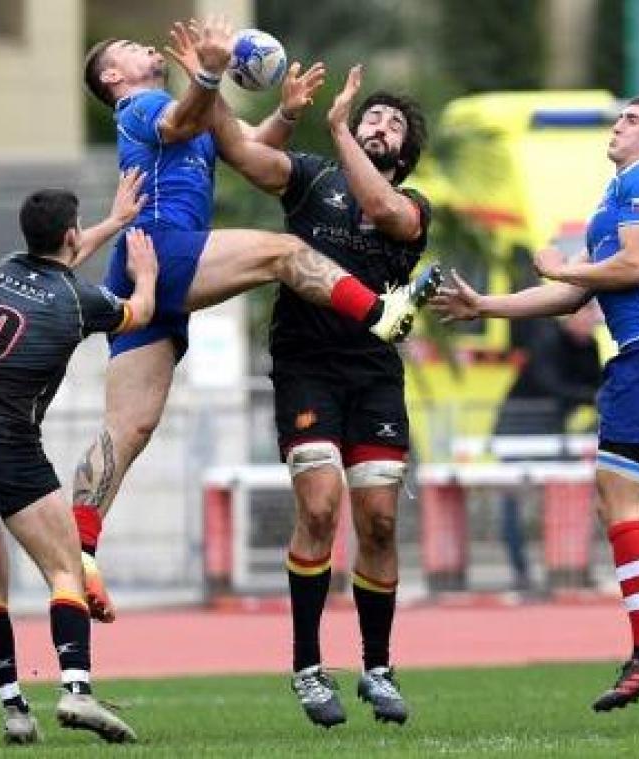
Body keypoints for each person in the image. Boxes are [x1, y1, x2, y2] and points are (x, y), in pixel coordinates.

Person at [71, 19, 440, 619]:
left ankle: (80, 548)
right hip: (164, 249)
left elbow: (245, 142)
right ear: (113, 76)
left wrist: (287, 113)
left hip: (141, 269)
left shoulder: (184, 104)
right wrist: (209, 76)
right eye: (130, 48)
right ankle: (381, 314)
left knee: (128, 428)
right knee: (285, 253)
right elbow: (181, 121)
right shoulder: (141, 105)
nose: (145, 47)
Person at [430, 96, 639, 712]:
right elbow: (563, 296)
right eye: (620, 116)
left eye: (633, 119)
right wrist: (484, 306)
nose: (619, 123)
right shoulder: (614, 198)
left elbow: (636, 266)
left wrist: (562, 268)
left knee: (615, 498)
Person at [210, 64, 434, 727]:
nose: (378, 124)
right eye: (372, 116)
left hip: (373, 374)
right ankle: (308, 665)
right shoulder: (311, 177)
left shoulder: (414, 204)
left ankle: (377, 666)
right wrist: (211, 79)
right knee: (320, 504)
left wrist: (338, 127)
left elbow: (384, 210)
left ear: (406, 154)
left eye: (391, 124)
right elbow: (243, 153)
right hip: (306, 366)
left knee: (381, 523)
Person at [0, 172, 156, 744]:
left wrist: (114, 221)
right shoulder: (81, 302)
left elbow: (60, 260)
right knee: (65, 568)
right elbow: (140, 315)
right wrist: (145, 275)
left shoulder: (5, 268)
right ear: (71, 236)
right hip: (4, 441)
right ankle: (77, 691)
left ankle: (14, 708)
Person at [494, 304, 602, 590]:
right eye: (584, 313)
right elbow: (550, 385)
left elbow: (598, 386)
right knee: (513, 502)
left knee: (567, 496)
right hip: (517, 428)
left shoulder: (589, 348)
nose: (589, 320)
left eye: (592, 315)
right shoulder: (547, 339)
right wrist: (592, 397)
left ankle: (565, 568)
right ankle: (520, 570)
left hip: (553, 431)